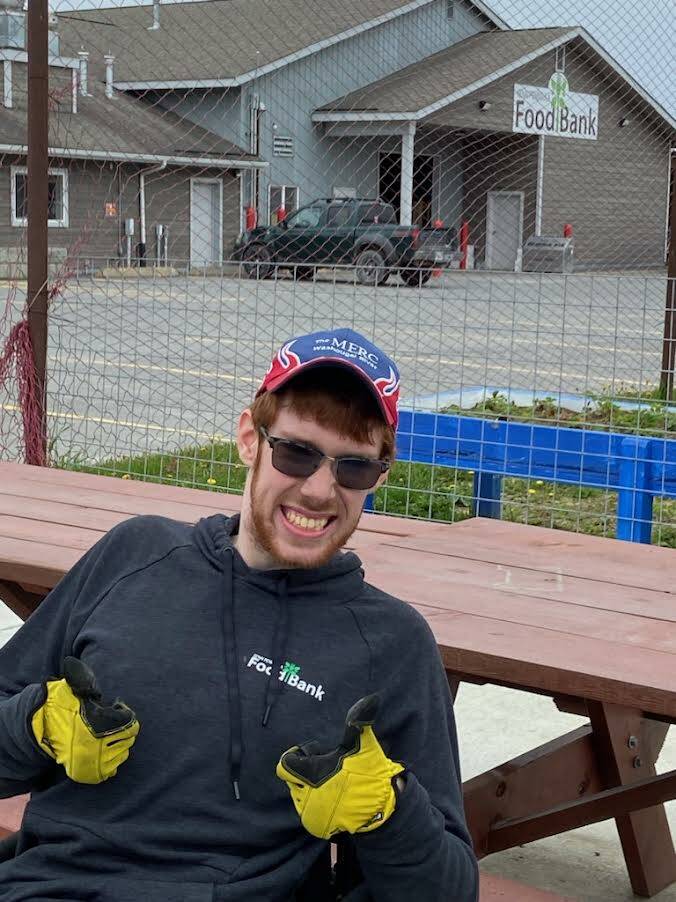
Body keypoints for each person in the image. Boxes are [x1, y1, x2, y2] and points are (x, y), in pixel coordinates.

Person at [0, 327, 479, 902]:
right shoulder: (134, 554)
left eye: (353, 468)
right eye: (297, 453)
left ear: (380, 478)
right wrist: (35, 726)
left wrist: (388, 812)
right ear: (250, 438)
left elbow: (449, 890)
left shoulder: (392, 642)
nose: (322, 490)